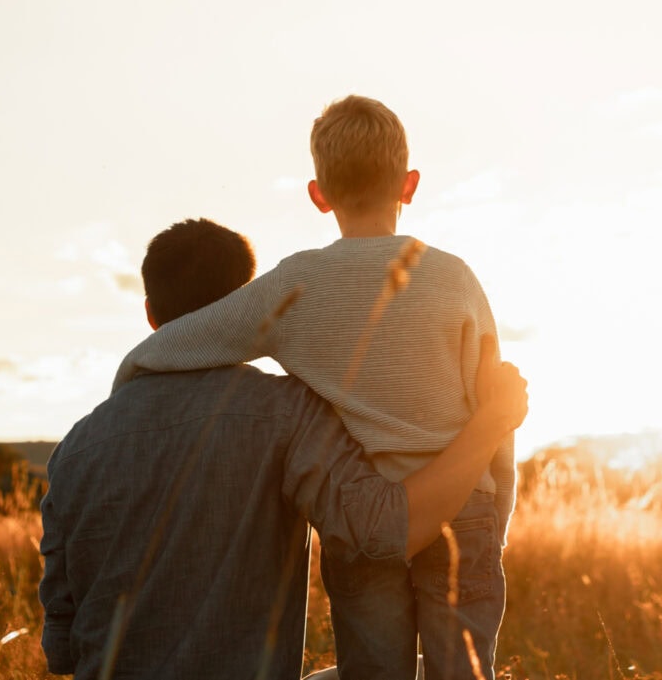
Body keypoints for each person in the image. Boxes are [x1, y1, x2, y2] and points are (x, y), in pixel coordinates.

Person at [112, 96, 513, 680]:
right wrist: (493, 515)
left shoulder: (295, 284)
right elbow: (494, 407)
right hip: (464, 512)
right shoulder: (455, 278)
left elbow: (178, 342)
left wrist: (129, 377)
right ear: (409, 184)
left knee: (373, 674)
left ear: (318, 194)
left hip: (360, 519)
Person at [39, 218, 527, 680]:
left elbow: (61, 649)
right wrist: (490, 424)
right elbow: (384, 531)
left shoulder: (74, 451)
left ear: (150, 314)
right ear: (244, 306)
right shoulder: (286, 413)